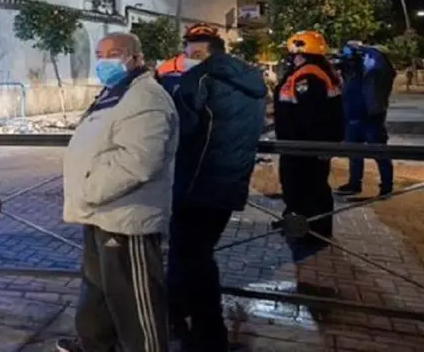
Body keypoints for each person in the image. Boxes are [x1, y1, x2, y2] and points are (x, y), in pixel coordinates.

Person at [57, 32, 177, 352]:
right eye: (100, 54)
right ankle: (94, 345)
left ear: (136, 58)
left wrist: (89, 188)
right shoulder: (117, 92)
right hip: (101, 211)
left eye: (114, 53)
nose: (104, 61)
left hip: (127, 216)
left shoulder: (145, 97)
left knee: (134, 300)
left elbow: (139, 160)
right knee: (98, 289)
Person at [168, 25, 267, 352]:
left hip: (196, 183)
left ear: (198, 51)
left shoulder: (199, 79)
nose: (184, 56)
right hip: (231, 181)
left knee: (194, 260)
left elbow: (178, 129)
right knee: (192, 255)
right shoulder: (252, 80)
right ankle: (173, 313)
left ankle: (209, 336)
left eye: (187, 50)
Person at [273, 30, 345, 259]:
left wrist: (312, 148)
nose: (289, 56)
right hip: (302, 145)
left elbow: (311, 116)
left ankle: (311, 233)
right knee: (309, 188)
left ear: (300, 51)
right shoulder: (313, 72)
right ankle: (301, 226)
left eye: (292, 52)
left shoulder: (308, 76)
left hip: (303, 147)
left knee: (305, 189)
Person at [334, 42, 396, 197]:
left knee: (379, 153)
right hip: (352, 116)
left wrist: (362, 49)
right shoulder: (351, 72)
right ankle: (354, 183)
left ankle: (386, 185)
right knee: (354, 153)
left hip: (371, 117)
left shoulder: (373, 69)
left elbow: (384, 68)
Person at [156, 24, 220, 95]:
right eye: (188, 54)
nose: (192, 59)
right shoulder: (164, 71)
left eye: (198, 55)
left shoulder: (221, 74)